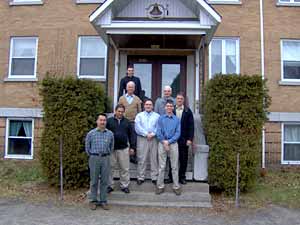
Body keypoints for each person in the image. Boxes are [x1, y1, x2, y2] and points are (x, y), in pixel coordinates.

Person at [85, 114, 114, 210]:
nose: (102, 122)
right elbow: (87, 148)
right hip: (94, 158)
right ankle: (93, 200)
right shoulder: (91, 133)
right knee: (94, 180)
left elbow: (111, 147)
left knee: (105, 181)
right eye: (101, 120)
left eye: (104, 120)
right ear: (97, 121)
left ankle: (103, 200)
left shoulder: (110, 134)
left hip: (105, 158)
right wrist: (93, 155)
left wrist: (106, 154)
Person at [106, 104, 136, 194]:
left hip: (123, 149)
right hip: (111, 149)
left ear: (124, 112)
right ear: (115, 111)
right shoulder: (109, 121)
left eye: (122, 112)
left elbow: (132, 136)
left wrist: (132, 147)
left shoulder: (127, 122)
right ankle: (110, 185)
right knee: (110, 168)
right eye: (119, 111)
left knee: (124, 168)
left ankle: (124, 185)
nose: (120, 113)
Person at [156, 100, 181, 196]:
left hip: (173, 144)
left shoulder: (176, 120)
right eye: (168, 106)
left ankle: (176, 186)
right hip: (162, 143)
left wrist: (169, 142)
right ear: (165, 107)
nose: (169, 107)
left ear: (173, 107)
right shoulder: (161, 119)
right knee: (161, 166)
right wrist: (164, 142)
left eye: (171, 106)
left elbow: (178, 133)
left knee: (174, 166)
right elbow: (158, 132)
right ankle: (160, 186)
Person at [135, 99, 160, 185]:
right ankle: (141, 177)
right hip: (142, 138)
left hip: (154, 138)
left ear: (152, 106)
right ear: (144, 106)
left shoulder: (157, 116)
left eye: (150, 104)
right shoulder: (139, 116)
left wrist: (152, 134)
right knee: (142, 158)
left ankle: (154, 177)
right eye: (146, 104)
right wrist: (146, 134)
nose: (148, 106)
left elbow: (158, 127)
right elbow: (137, 127)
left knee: (154, 158)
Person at [118, 81, 142, 164]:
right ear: (126, 88)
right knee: (124, 138)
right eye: (129, 87)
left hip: (133, 122)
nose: (130, 88)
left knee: (133, 139)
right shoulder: (121, 98)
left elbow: (139, 112)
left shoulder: (137, 99)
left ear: (134, 89)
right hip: (124, 121)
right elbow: (118, 110)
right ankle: (123, 157)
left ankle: (133, 156)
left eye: (132, 87)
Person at [174, 93, 194, 184]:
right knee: (172, 159)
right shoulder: (171, 109)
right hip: (172, 139)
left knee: (183, 159)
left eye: (181, 99)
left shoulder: (187, 111)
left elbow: (191, 126)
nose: (179, 100)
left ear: (183, 100)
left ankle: (182, 177)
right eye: (178, 98)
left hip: (184, 139)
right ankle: (171, 177)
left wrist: (190, 139)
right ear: (176, 99)